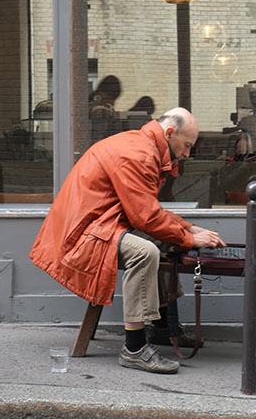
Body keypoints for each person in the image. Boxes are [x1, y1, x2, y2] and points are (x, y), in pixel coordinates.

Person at [29, 107, 225, 374]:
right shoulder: (139, 155)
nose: (188, 154)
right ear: (169, 133)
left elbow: (145, 210)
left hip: (98, 226)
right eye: (187, 145)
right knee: (145, 252)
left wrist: (188, 229)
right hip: (81, 235)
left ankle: (163, 328)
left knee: (162, 243)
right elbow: (146, 217)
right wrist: (189, 238)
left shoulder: (141, 146)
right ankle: (134, 349)